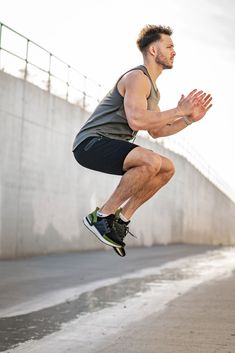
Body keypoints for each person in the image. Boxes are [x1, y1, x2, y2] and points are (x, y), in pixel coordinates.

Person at [72, 24, 212, 257]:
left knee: (167, 168)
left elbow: (157, 130)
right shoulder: (137, 77)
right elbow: (137, 120)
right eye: (169, 46)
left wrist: (188, 119)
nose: (174, 51)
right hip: (90, 143)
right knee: (150, 161)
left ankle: (121, 221)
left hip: (108, 145)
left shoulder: (153, 90)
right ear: (154, 51)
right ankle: (102, 216)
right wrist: (178, 109)